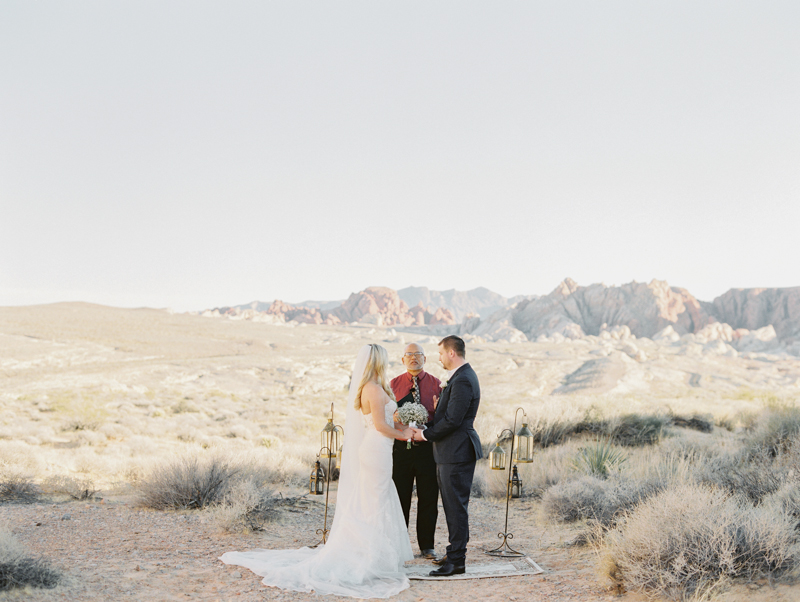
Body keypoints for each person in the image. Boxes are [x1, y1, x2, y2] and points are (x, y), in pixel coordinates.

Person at [220, 344, 415, 598]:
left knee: (375, 499)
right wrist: (405, 434)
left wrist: (401, 423)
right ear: (379, 361)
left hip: (379, 450)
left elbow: (386, 421)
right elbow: (379, 426)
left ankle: (374, 556)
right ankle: (368, 559)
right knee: (375, 501)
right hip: (376, 450)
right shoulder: (374, 390)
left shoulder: (375, 388)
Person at [411, 335, 481, 577]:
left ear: (452, 353)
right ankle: (453, 554)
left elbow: (454, 421)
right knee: (452, 506)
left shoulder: (462, 380)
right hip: (449, 451)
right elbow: (450, 414)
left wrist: (424, 435)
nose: (439, 358)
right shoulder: (459, 378)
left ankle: (458, 562)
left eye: (440, 353)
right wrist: (439, 405)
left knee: (456, 507)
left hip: (457, 451)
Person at [390, 343, 441, 560]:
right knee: (399, 497)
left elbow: (441, 418)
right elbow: (386, 416)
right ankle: (399, 546)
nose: (413, 358)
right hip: (400, 449)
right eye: (409, 355)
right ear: (403, 360)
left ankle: (427, 546)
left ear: (425, 358)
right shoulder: (393, 384)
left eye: (418, 354)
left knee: (428, 497)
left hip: (427, 449)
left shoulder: (437, 384)